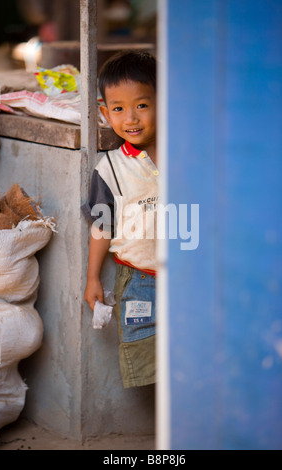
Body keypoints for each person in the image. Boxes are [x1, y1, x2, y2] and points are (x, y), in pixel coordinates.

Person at [81, 50, 158, 388]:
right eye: (118, 108)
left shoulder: (188, 154)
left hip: (194, 279)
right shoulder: (110, 168)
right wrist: (93, 277)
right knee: (150, 361)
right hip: (140, 280)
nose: (131, 118)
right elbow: (101, 226)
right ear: (104, 113)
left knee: (196, 358)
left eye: (142, 105)